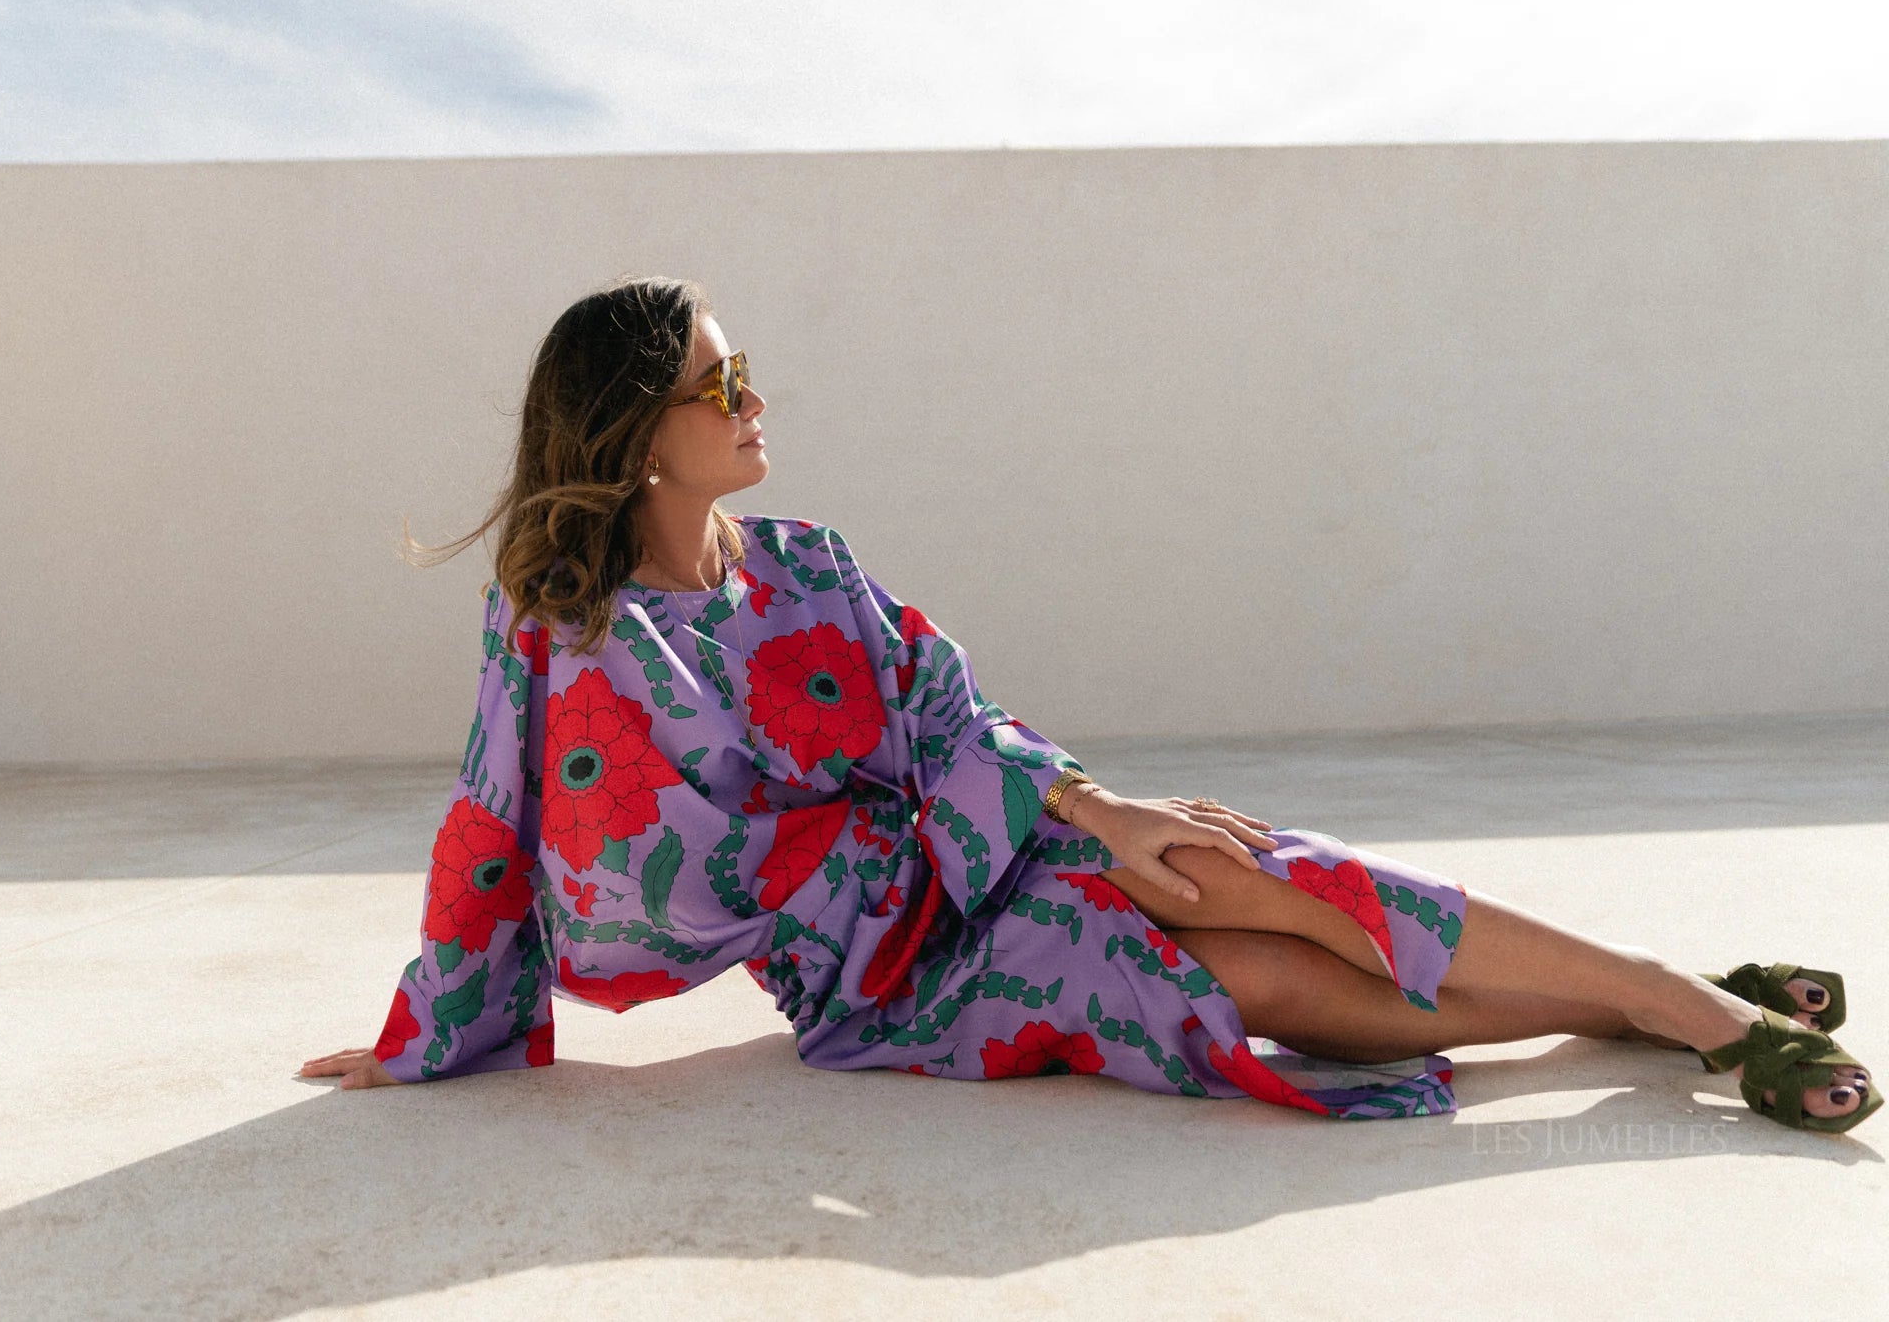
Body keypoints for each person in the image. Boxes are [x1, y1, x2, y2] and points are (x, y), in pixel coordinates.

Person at [299, 274, 1876, 1133]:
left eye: (745, 365)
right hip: (887, 985)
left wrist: (1101, 808)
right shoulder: (563, 634)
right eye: (723, 383)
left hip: (988, 844)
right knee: (1261, 983)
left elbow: (943, 710)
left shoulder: (806, 562)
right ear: (646, 431)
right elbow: (490, 829)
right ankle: (1635, 1015)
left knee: (1243, 869)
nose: (756, 398)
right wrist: (431, 1028)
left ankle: (1675, 997)